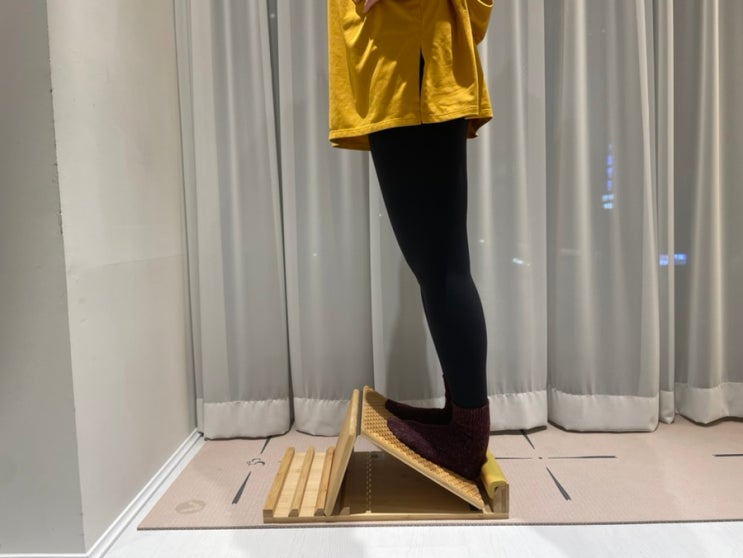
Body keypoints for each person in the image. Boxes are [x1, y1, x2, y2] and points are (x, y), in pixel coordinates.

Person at [327, 0, 494, 480]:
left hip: (409, 69)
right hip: (403, 69)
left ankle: (466, 436)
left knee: (442, 268)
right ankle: (459, 416)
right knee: (437, 267)